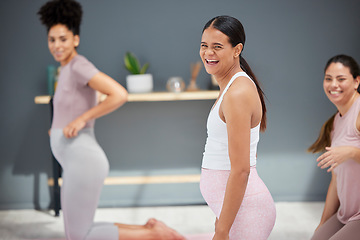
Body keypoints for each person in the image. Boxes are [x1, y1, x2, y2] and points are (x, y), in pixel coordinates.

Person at [38, 0, 185, 239]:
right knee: (78, 232)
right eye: (52, 40)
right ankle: (151, 231)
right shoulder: (65, 69)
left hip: (83, 161)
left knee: (79, 236)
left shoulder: (78, 66)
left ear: (75, 39)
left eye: (63, 39)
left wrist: (81, 120)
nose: (57, 45)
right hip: (75, 160)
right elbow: (71, 107)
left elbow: (119, 94)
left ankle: (156, 236)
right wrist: (56, 130)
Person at [199, 15, 276, 240]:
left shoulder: (238, 93)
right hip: (238, 212)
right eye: (204, 46)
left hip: (248, 213)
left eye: (217, 47)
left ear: (237, 49)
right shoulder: (231, 87)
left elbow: (241, 170)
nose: (208, 53)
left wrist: (222, 231)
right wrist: (221, 218)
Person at [309, 54, 360, 240]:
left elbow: (352, 154)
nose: (333, 85)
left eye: (341, 79)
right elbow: (336, 180)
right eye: (328, 79)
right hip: (346, 213)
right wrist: (322, 223)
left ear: (356, 81)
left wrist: (352, 152)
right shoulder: (335, 124)